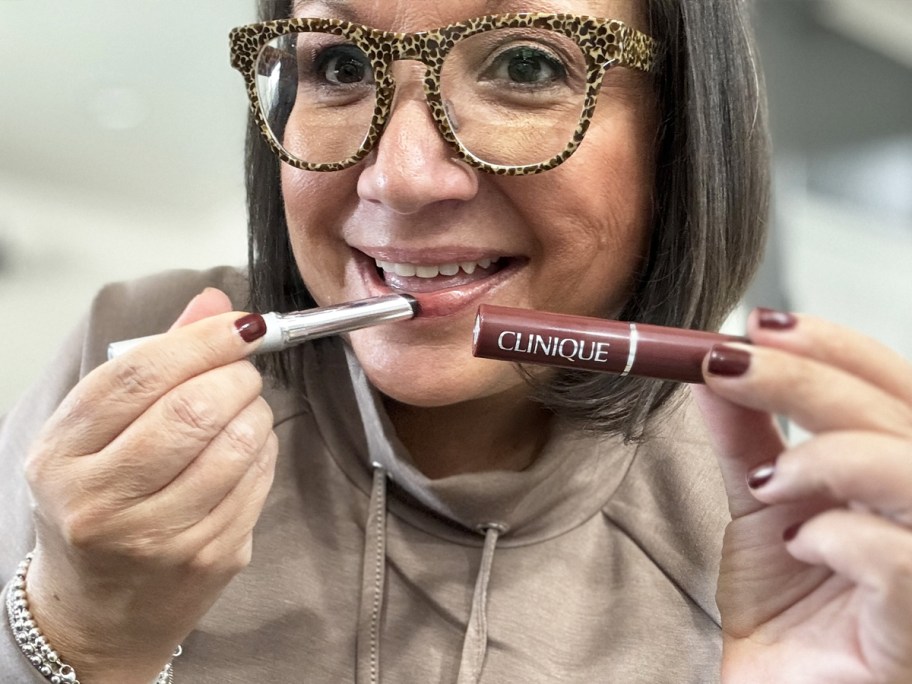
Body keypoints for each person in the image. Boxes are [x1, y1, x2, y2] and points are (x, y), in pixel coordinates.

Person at [2, 0, 911, 682]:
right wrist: (81, 632)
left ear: (683, 130)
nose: (399, 180)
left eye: (525, 65)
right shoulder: (134, 354)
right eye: (339, 64)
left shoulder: (764, 542)